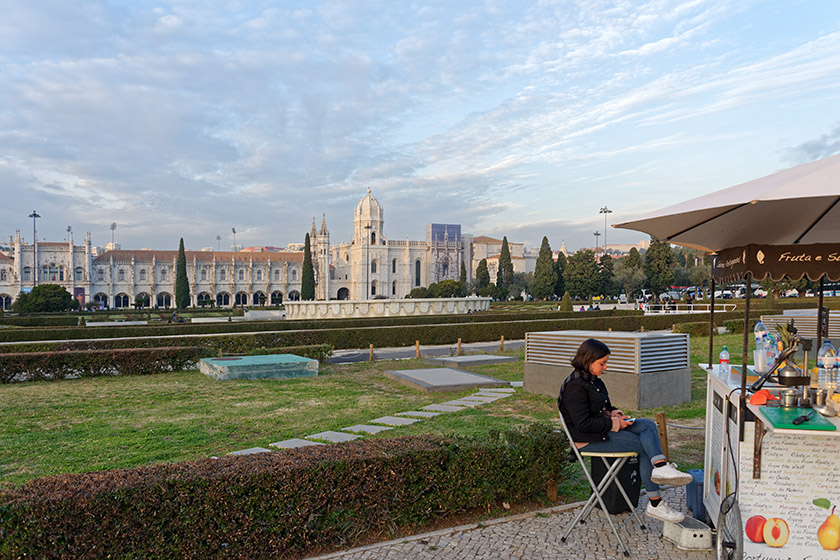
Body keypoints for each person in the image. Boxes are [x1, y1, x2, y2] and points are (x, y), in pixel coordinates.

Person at [558, 338, 693, 523]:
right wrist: (615, 425)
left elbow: (603, 406)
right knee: (644, 446)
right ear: (588, 361)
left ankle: (661, 467)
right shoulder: (575, 386)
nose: (605, 367)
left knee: (648, 425)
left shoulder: (593, 380)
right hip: (587, 439)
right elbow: (583, 424)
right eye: (602, 363)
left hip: (602, 429)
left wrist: (615, 414)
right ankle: (656, 503)